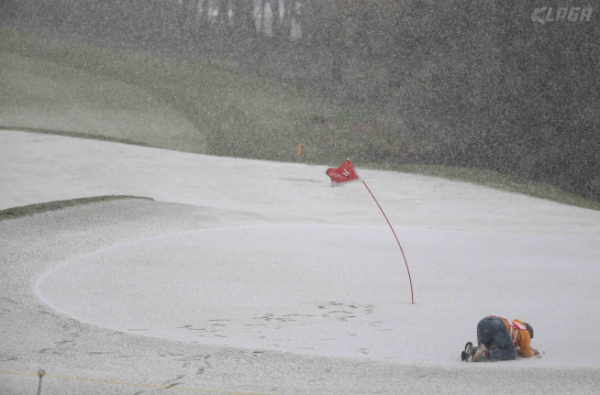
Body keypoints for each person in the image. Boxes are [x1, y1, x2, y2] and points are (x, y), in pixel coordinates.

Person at [461, 316, 539, 362]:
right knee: (511, 354)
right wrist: (533, 352)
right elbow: (527, 354)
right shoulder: (525, 332)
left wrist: (518, 349)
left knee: (486, 347)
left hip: (483, 322)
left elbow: (502, 345)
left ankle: (472, 351)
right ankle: (485, 354)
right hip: (497, 325)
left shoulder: (514, 325)